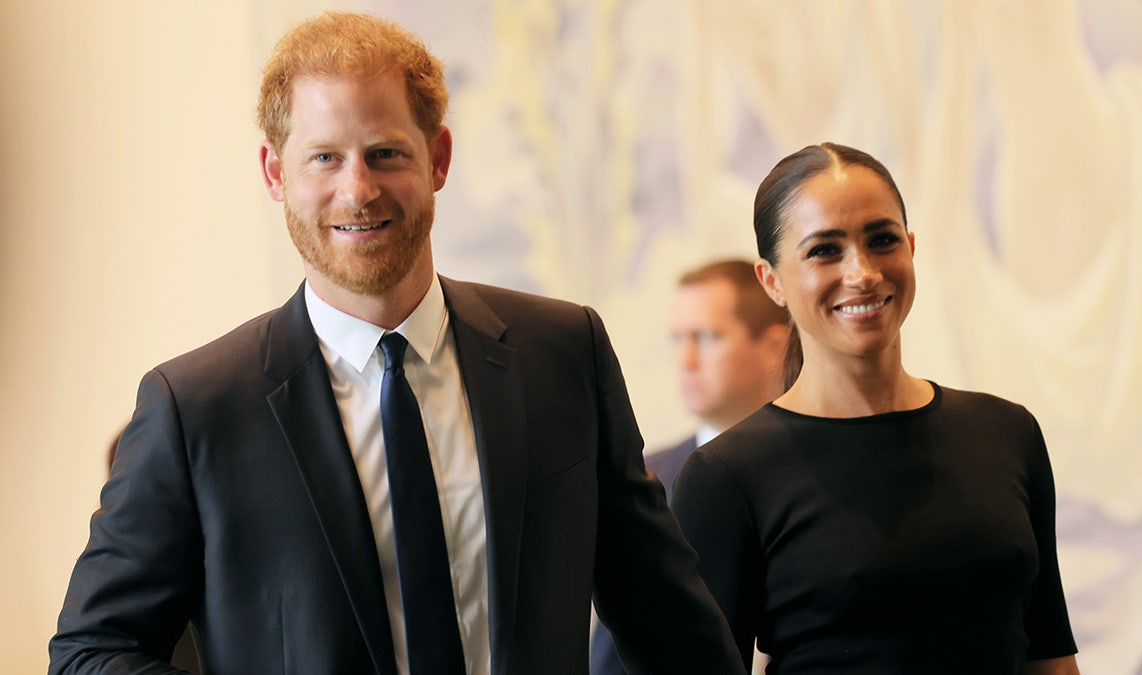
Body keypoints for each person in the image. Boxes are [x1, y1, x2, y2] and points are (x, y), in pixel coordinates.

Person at [48, 12, 744, 675]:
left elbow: (670, 626)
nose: (358, 190)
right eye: (324, 158)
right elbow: (90, 650)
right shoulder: (195, 407)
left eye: (384, 153)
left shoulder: (564, 353)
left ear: (437, 157)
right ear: (274, 174)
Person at [670, 142, 1081, 674]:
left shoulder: (1006, 433)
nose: (862, 272)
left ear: (910, 248)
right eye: (825, 250)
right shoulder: (727, 475)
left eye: (882, 240)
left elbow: (1050, 655)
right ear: (772, 281)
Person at [590, 259, 789, 674]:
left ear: (776, 345)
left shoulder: (812, 472)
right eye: (678, 340)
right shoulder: (642, 477)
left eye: (706, 337)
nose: (686, 360)